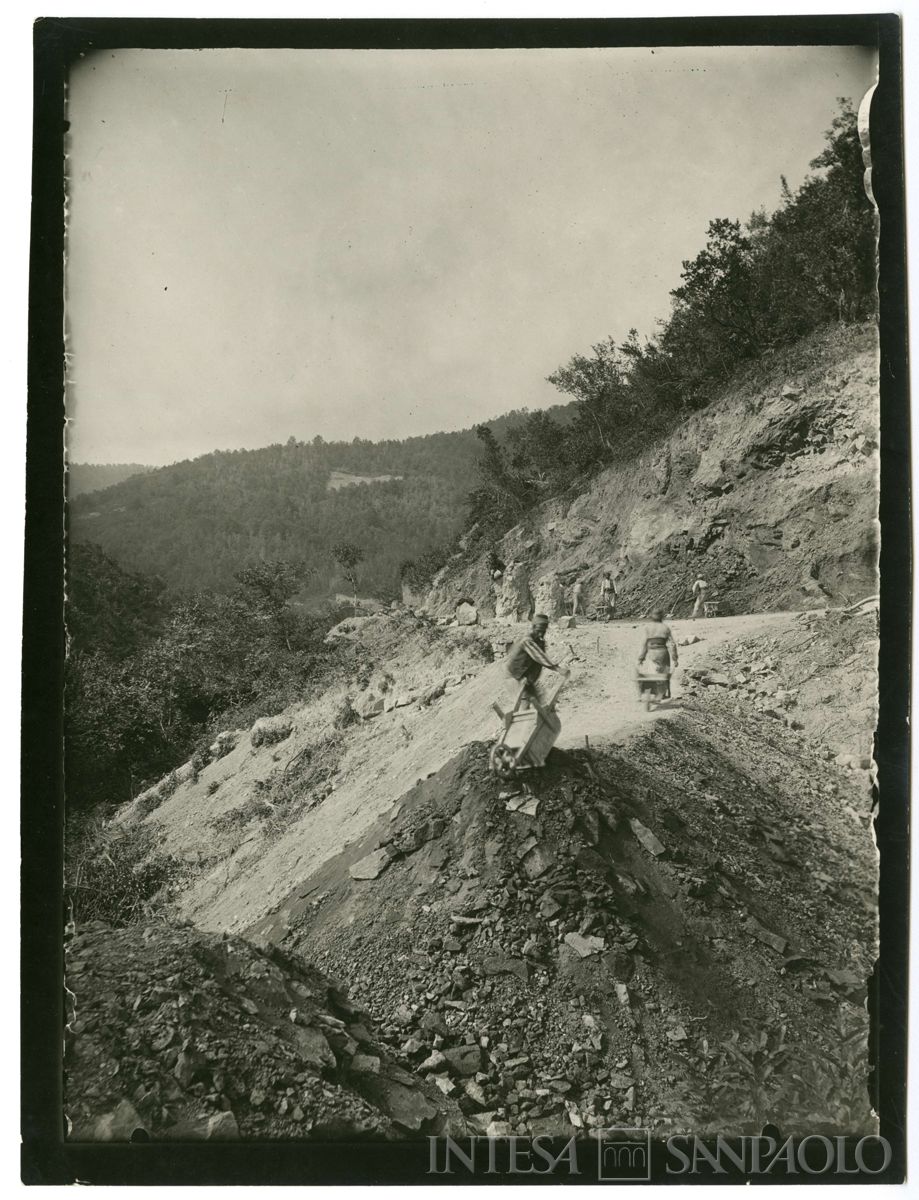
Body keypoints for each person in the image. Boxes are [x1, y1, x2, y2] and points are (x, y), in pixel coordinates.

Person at [506, 614, 566, 707]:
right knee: (525, 703)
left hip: (526, 679)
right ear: (533, 627)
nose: (541, 634)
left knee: (540, 704)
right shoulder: (526, 640)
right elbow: (539, 656)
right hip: (516, 677)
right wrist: (558, 669)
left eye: (543, 631)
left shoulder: (539, 641)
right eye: (538, 631)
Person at [637, 609, 678, 700]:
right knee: (664, 672)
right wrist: (675, 658)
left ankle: (652, 691)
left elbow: (644, 644)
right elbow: (672, 644)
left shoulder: (648, 628)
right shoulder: (665, 628)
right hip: (663, 652)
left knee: (652, 671)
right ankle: (663, 692)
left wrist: (641, 658)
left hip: (652, 652)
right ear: (661, 617)